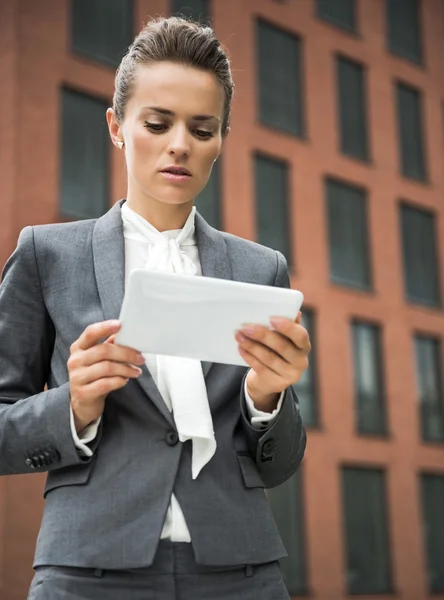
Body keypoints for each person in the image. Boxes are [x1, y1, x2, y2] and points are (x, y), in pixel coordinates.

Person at [0, 16, 310, 600]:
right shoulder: (46, 255)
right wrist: (76, 404)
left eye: (202, 129)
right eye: (157, 123)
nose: (179, 145)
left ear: (220, 140)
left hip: (241, 571)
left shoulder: (261, 270)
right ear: (117, 127)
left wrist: (268, 399)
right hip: (86, 566)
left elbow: (277, 464)